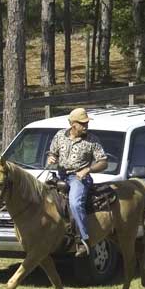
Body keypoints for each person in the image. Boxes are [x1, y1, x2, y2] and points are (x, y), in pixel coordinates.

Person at [45, 108, 107, 257]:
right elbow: (52, 153)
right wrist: (51, 159)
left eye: (87, 123)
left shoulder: (92, 140)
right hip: (59, 176)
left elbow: (103, 162)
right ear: (73, 124)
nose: (86, 126)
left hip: (79, 178)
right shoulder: (59, 135)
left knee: (74, 203)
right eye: (83, 123)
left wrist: (88, 169)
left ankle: (83, 240)